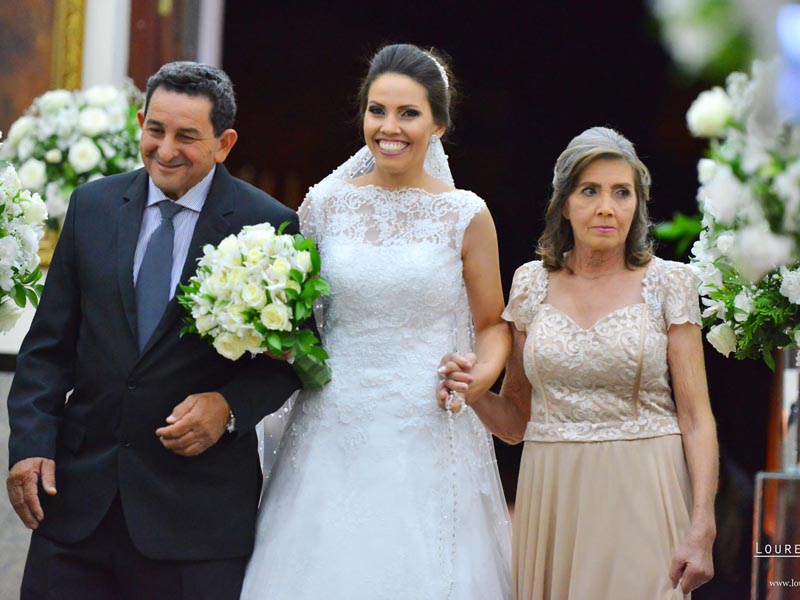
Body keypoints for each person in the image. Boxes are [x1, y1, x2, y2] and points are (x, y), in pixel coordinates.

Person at [6, 62, 301, 599]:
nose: (165, 150)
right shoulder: (92, 206)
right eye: (156, 130)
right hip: (76, 510)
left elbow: (292, 360)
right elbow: (47, 349)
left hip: (196, 522)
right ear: (141, 123)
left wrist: (229, 408)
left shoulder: (268, 225)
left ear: (224, 143)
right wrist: (29, 444)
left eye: (187, 136)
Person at [239, 44, 513, 599]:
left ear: (438, 124)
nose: (390, 127)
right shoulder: (324, 204)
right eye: (377, 110)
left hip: (427, 424)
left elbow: (492, 324)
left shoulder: (466, 213)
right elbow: (294, 308)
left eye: (408, 113)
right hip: (331, 424)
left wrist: (479, 377)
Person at [453, 126, 718, 598]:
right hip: (553, 495)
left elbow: (696, 419)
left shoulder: (670, 283)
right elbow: (515, 422)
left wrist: (703, 525)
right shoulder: (530, 284)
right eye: (590, 191)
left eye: (622, 192)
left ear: (638, 203)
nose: (606, 207)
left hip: (645, 489)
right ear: (564, 204)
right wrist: (471, 392)